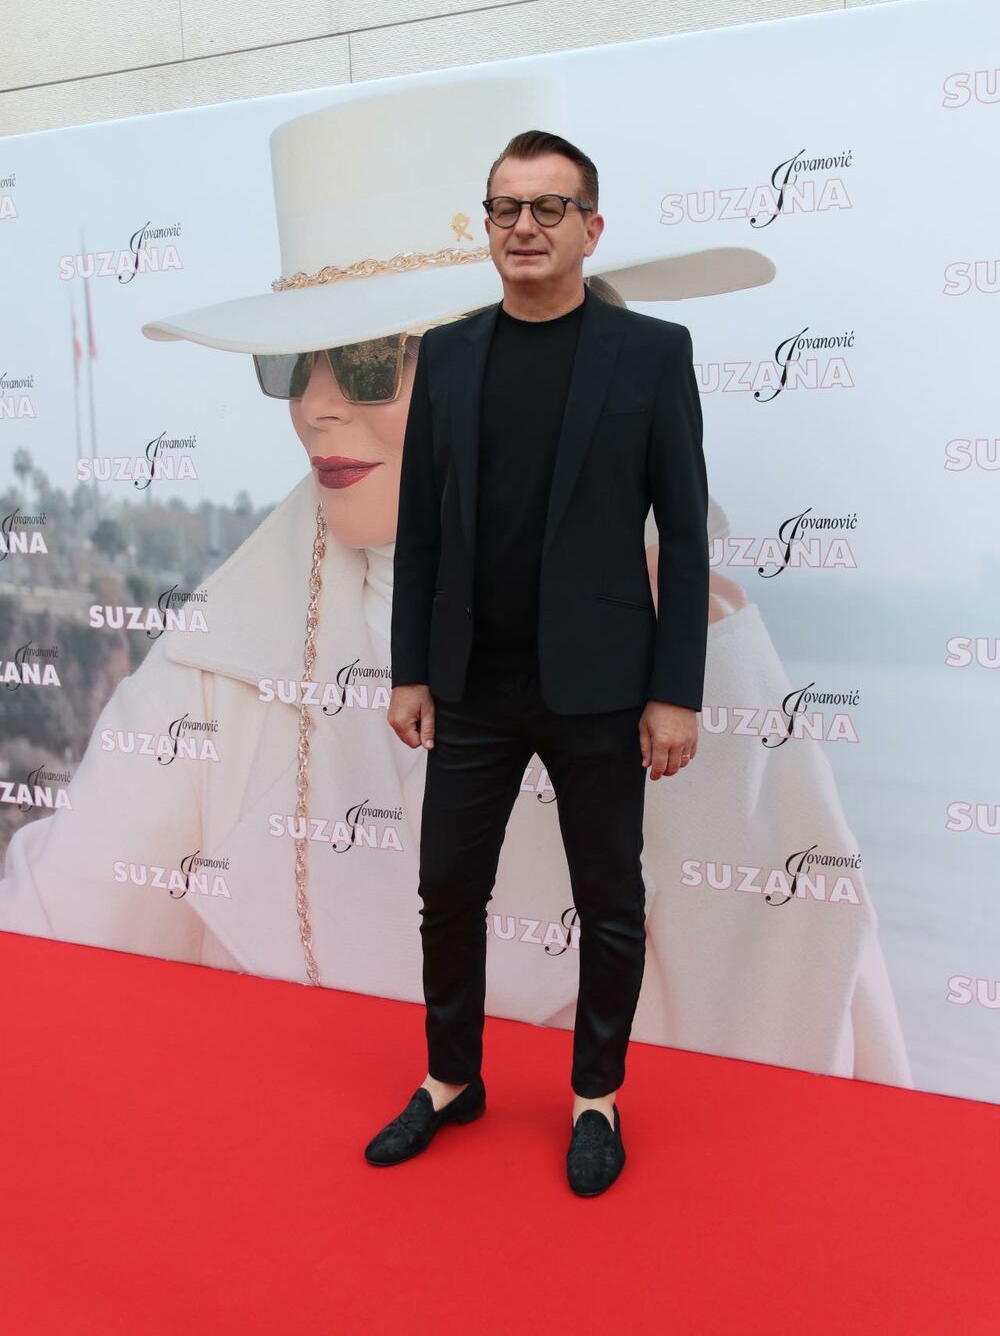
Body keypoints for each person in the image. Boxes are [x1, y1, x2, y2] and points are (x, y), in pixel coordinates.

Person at [1, 74, 907, 1142]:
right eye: (292, 362)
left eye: (368, 360)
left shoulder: (688, 612)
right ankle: (449, 1084)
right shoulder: (220, 657)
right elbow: (53, 931)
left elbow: (795, 1027)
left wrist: (689, 674)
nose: (315, 405)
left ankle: (592, 1107)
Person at [365, 128, 710, 1197]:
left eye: (548, 208)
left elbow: (684, 533)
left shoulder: (651, 354)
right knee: (445, 891)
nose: (524, 226)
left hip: (601, 686)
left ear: (590, 229)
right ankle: (451, 1079)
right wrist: (409, 670)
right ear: (487, 226)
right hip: (471, 681)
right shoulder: (448, 354)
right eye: (506, 207)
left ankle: (595, 1097)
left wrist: (674, 692)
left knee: (608, 900)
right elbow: (421, 530)